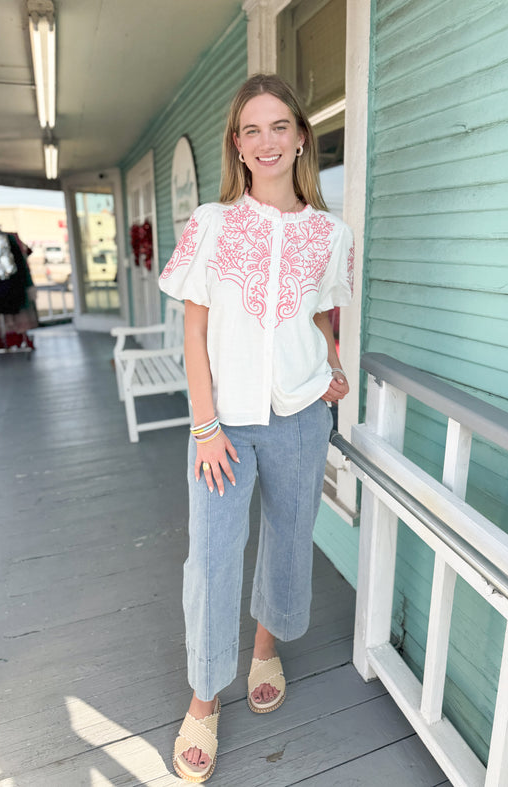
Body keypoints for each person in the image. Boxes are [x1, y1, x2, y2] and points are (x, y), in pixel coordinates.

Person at [158, 73, 354, 783]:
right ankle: (204, 696)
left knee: (289, 533)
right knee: (211, 559)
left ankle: (265, 644)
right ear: (237, 145)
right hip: (224, 428)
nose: (266, 141)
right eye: (252, 129)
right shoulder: (212, 223)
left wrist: (333, 367)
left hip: (302, 417)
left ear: (302, 136)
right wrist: (205, 426)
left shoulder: (332, 234)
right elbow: (195, 328)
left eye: (280, 127)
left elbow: (325, 315)